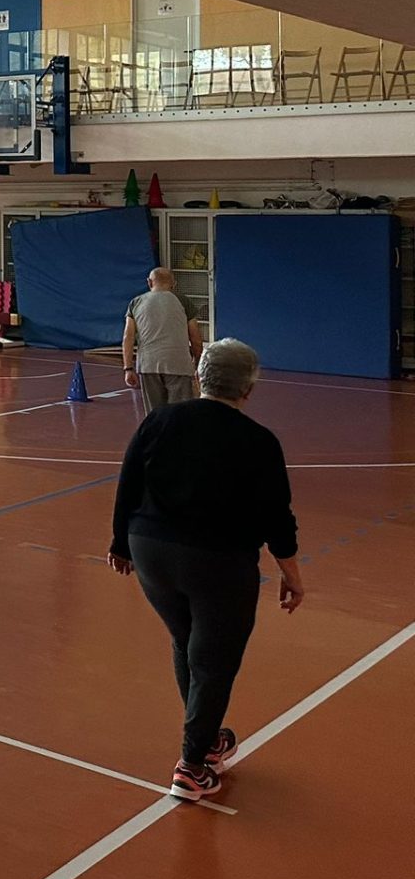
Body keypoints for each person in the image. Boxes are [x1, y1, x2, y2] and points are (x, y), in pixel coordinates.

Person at [106, 338, 305, 802]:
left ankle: (207, 737)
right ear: (249, 389)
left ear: (200, 376)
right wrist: (292, 574)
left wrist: (121, 543)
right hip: (218, 562)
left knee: (186, 640)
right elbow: (278, 517)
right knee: (214, 661)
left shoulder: (159, 420)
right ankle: (192, 767)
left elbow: (128, 482)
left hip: (152, 551)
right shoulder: (258, 441)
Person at [123, 266, 205, 408]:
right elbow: (196, 338)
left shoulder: (136, 303)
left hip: (148, 365)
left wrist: (128, 368)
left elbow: (128, 337)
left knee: (154, 414)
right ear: (174, 284)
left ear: (149, 282)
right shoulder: (183, 301)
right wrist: (197, 362)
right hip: (178, 365)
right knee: (179, 414)